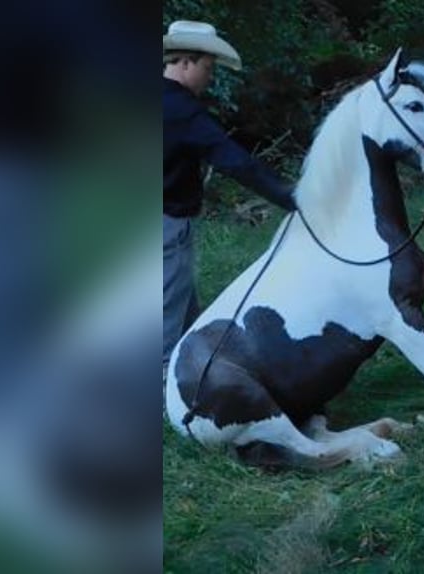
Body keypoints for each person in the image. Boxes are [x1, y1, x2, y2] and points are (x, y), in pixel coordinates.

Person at [163, 20, 296, 372]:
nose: (210, 77)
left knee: (182, 311)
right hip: (165, 226)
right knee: (165, 316)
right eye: (207, 68)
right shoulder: (180, 109)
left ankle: (196, 376)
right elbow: (235, 161)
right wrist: (293, 198)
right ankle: (164, 400)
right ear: (186, 62)